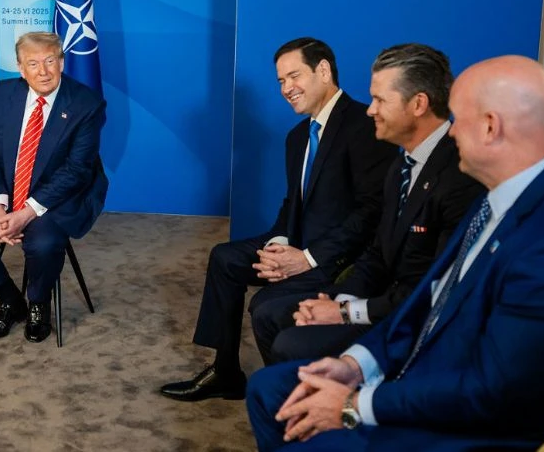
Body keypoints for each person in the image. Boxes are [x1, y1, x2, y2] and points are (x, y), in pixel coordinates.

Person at [246, 55, 544, 452]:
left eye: (458, 119)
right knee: (267, 388)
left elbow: (491, 391)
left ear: (490, 127)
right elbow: (431, 299)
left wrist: (354, 405)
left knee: (298, 417)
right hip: (418, 366)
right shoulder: (495, 194)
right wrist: (356, 364)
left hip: (463, 419)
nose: (451, 132)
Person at [160, 38, 396, 401]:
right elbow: (292, 204)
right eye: (281, 81)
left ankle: (291, 395)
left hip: (338, 257)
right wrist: (278, 245)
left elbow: (370, 213)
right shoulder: (298, 137)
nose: (286, 88)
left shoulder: (364, 125)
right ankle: (225, 371)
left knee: (264, 306)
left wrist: (306, 259)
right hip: (297, 243)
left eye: (294, 76)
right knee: (225, 258)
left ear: (323, 70)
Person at [251, 44, 484, 363]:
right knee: (268, 315)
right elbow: (378, 254)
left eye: (380, 100)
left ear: (418, 104)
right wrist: (335, 299)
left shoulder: (461, 177)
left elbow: (434, 291)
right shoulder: (401, 167)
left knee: (289, 343)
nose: (371, 110)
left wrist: (345, 311)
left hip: (411, 320)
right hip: (378, 296)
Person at [0, 32, 107, 343]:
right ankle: (9, 300)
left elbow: (77, 170)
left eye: (50, 61)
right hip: (3, 189)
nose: (43, 71)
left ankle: (38, 304)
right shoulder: (0, 94)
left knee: (43, 244)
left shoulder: (86, 104)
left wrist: (27, 212)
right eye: (33, 64)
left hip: (54, 196)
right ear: (21, 68)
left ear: (62, 62)